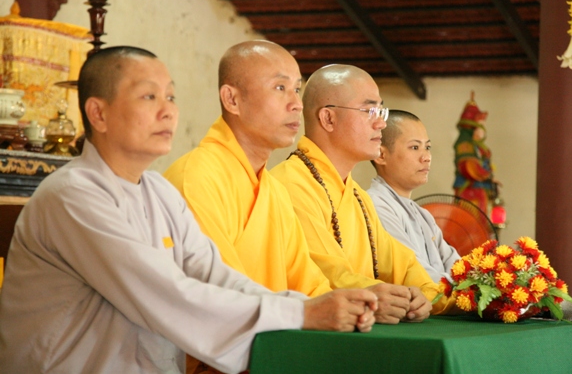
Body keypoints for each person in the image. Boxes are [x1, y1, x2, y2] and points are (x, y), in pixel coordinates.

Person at [0, 47, 377, 374]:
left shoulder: (158, 193)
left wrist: (310, 307)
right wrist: (301, 314)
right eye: (149, 97)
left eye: (171, 96)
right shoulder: (72, 195)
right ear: (98, 113)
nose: (168, 111)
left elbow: (214, 275)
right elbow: (168, 295)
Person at [163, 40, 334, 372]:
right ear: (232, 99)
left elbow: (309, 285)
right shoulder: (197, 177)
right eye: (280, 88)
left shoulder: (272, 189)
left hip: (270, 350)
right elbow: (218, 295)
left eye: (297, 89)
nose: (296, 104)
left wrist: (352, 308)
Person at [271, 64, 456, 322]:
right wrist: (378, 294)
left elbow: (403, 266)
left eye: (381, 110)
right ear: (328, 119)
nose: (381, 123)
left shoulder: (357, 196)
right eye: (369, 111)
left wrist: (430, 295)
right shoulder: (289, 184)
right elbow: (325, 272)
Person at [368, 109, 460, 283]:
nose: (426, 157)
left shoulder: (423, 215)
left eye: (427, 147)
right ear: (381, 155)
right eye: (415, 147)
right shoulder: (376, 206)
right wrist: (462, 288)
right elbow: (416, 275)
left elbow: (456, 265)